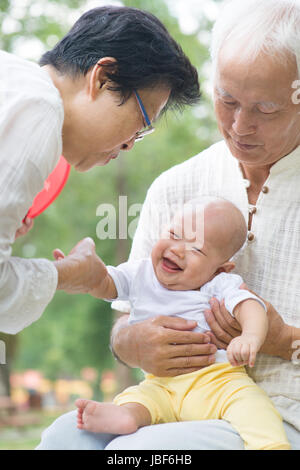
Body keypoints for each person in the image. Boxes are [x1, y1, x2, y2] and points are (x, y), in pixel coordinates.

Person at [37, 0, 300, 450]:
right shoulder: (177, 186)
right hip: (172, 402)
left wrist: (280, 339)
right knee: (66, 437)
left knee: (139, 454)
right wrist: (132, 343)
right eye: (228, 100)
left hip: (282, 418)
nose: (239, 126)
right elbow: (123, 315)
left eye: (266, 109)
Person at [0, 6, 200, 335]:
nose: (130, 145)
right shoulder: (39, 110)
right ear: (103, 78)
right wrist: (69, 275)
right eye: (142, 122)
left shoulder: (15, 84)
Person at [74, 198, 290, 450]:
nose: (177, 249)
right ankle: (127, 416)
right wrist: (88, 276)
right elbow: (108, 285)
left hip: (217, 383)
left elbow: (250, 305)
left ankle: (271, 446)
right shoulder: (141, 273)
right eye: (174, 234)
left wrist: (250, 337)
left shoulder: (217, 284)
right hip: (161, 384)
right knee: (139, 398)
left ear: (220, 269)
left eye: (196, 249)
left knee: (254, 408)